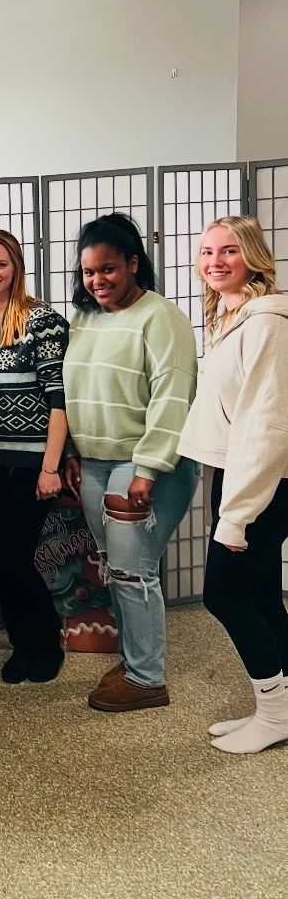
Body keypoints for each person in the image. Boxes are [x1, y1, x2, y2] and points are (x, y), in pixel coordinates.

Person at [62, 214, 198, 712]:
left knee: (133, 571)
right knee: (116, 568)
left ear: (133, 264)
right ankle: (135, 658)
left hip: (143, 463)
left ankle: (147, 678)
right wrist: (71, 451)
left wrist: (148, 468)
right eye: (88, 272)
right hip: (94, 462)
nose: (97, 281)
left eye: (108, 269)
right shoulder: (84, 319)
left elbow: (172, 397)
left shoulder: (162, 318)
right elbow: (73, 392)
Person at [177, 216, 288, 754]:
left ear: (254, 257)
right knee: (262, 594)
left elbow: (265, 428)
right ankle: (282, 708)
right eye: (206, 252)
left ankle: (274, 715)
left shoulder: (268, 323)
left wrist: (236, 515)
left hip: (262, 478)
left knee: (224, 595)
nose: (215, 261)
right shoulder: (230, 316)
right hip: (239, 470)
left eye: (229, 251)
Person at [0, 229, 70, 685]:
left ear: (16, 268)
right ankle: (22, 643)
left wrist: (51, 467)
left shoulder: (41, 320)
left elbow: (60, 398)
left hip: (30, 462)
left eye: (0, 264)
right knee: (1, 558)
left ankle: (46, 641)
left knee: (18, 557)